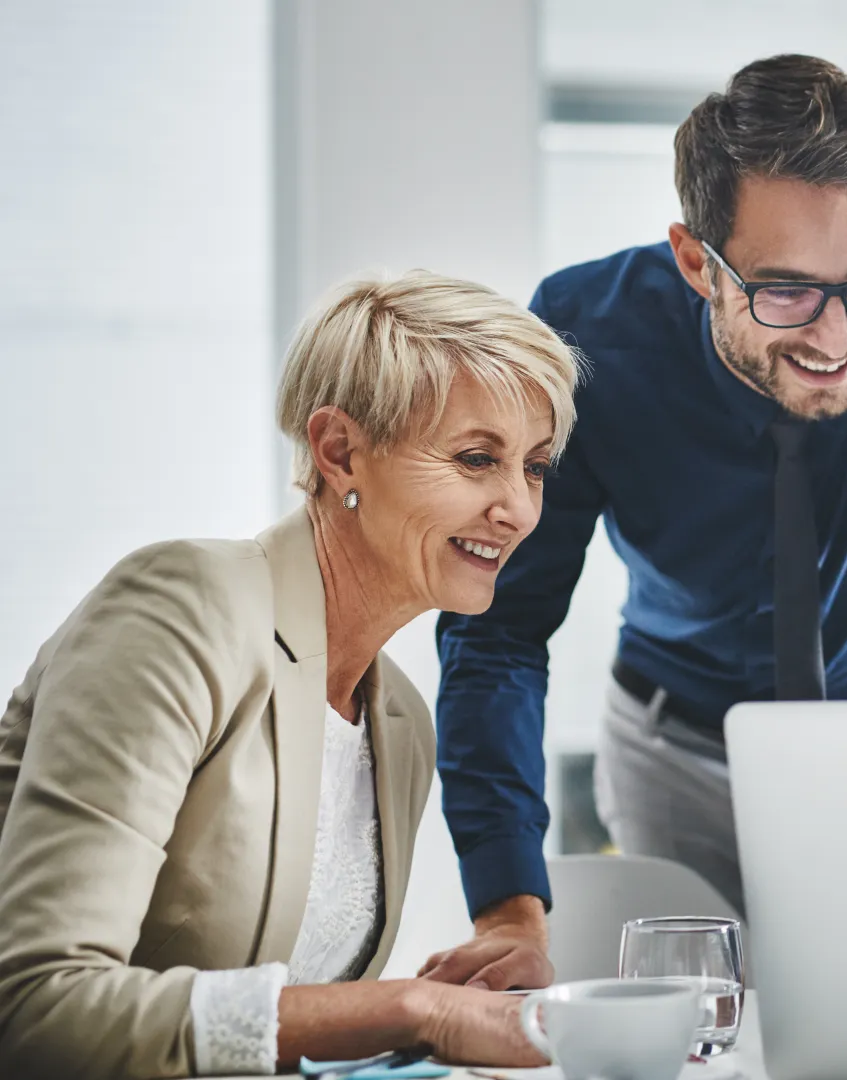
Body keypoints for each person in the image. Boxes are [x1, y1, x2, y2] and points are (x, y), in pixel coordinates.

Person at [429, 52, 847, 973]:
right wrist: (507, 906)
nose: (835, 337)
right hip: (674, 745)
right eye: (787, 290)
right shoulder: (584, 334)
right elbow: (498, 629)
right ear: (696, 262)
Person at [0, 271, 580, 1078]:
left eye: (536, 468)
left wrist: (449, 1006)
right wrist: (415, 1010)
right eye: (478, 458)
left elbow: (284, 1031)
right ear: (339, 451)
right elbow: (37, 1009)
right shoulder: (181, 610)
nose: (518, 507)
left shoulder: (400, 721)